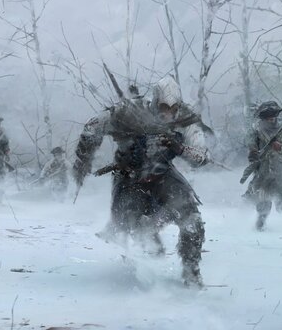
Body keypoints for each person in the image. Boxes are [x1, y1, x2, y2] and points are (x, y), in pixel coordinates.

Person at [72, 76, 210, 288]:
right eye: (164, 107)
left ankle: (191, 270)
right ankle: (129, 272)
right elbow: (93, 127)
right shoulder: (131, 112)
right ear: (155, 103)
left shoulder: (185, 120)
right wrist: (83, 160)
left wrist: (179, 148)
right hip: (130, 176)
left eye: (173, 108)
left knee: (192, 219)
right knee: (128, 225)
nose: (168, 113)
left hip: (163, 175)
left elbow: (201, 157)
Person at [243, 101, 282, 231]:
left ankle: (281, 204)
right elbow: (251, 144)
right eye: (267, 117)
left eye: (273, 117)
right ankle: (261, 221)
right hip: (264, 170)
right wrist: (253, 152)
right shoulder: (257, 130)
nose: (270, 120)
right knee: (263, 196)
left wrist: (280, 147)